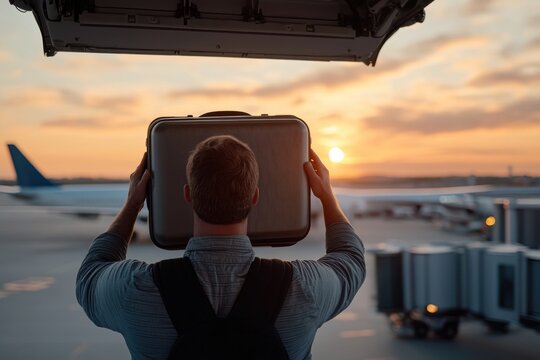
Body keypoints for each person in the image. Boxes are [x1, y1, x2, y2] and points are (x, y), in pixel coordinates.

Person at [76, 135, 366, 360]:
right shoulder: (304, 288)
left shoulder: (136, 288)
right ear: (254, 197)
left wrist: (131, 206)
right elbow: (350, 259)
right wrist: (328, 198)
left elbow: (90, 277)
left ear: (188, 195)